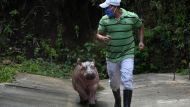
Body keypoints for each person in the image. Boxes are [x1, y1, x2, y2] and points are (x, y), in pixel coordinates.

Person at [96, 0, 144, 107]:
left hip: (127, 53)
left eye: (107, 7)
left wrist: (141, 41)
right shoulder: (104, 20)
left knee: (127, 79)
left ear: (114, 7)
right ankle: (117, 101)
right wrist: (103, 38)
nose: (106, 10)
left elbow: (140, 26)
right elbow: (98, 34)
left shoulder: (131, 17)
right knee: (114, 84)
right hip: (112, 56)